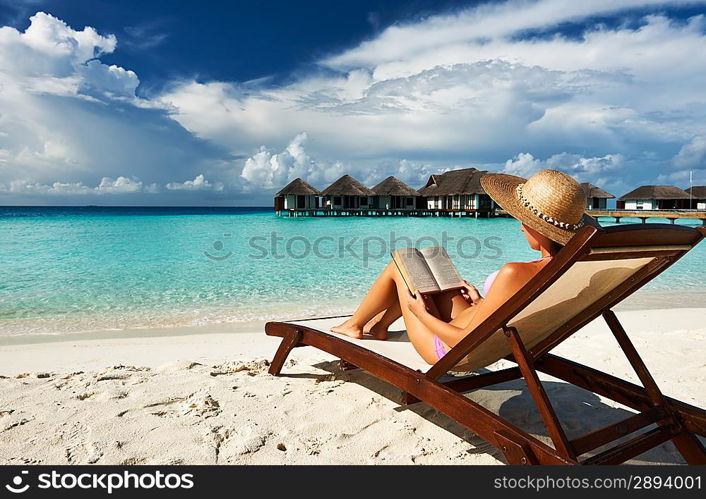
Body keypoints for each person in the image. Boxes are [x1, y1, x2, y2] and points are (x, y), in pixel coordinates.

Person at [331, 169, 598, 364]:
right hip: (482, 334)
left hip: (450, 350)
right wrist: (481, 301)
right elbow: (508, 314)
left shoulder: (514, 272)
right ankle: (379, 327)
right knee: (426, 261)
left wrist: (421, 313)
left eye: (524, 221)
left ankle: (355, 325)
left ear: (540, 229)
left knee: (402, 260)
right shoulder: (565, 271)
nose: (520, 227)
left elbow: (461, 341)